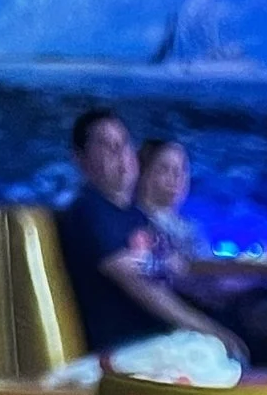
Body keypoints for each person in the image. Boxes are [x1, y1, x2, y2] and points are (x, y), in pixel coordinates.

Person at [53, 107, 236, 357]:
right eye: (107, 145)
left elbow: (175, 271)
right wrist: (210, 330)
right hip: (130, 345)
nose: (122, 153)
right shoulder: (89, 211)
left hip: (159, 334)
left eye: (125, 143)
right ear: (81, 159)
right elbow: (143, 287)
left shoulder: (133, 215)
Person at [134, 136, 207, 270]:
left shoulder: (190, 229)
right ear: (144, 174)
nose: (177, 176)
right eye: (165, 169)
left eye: (183, 169)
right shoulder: (132, 224)